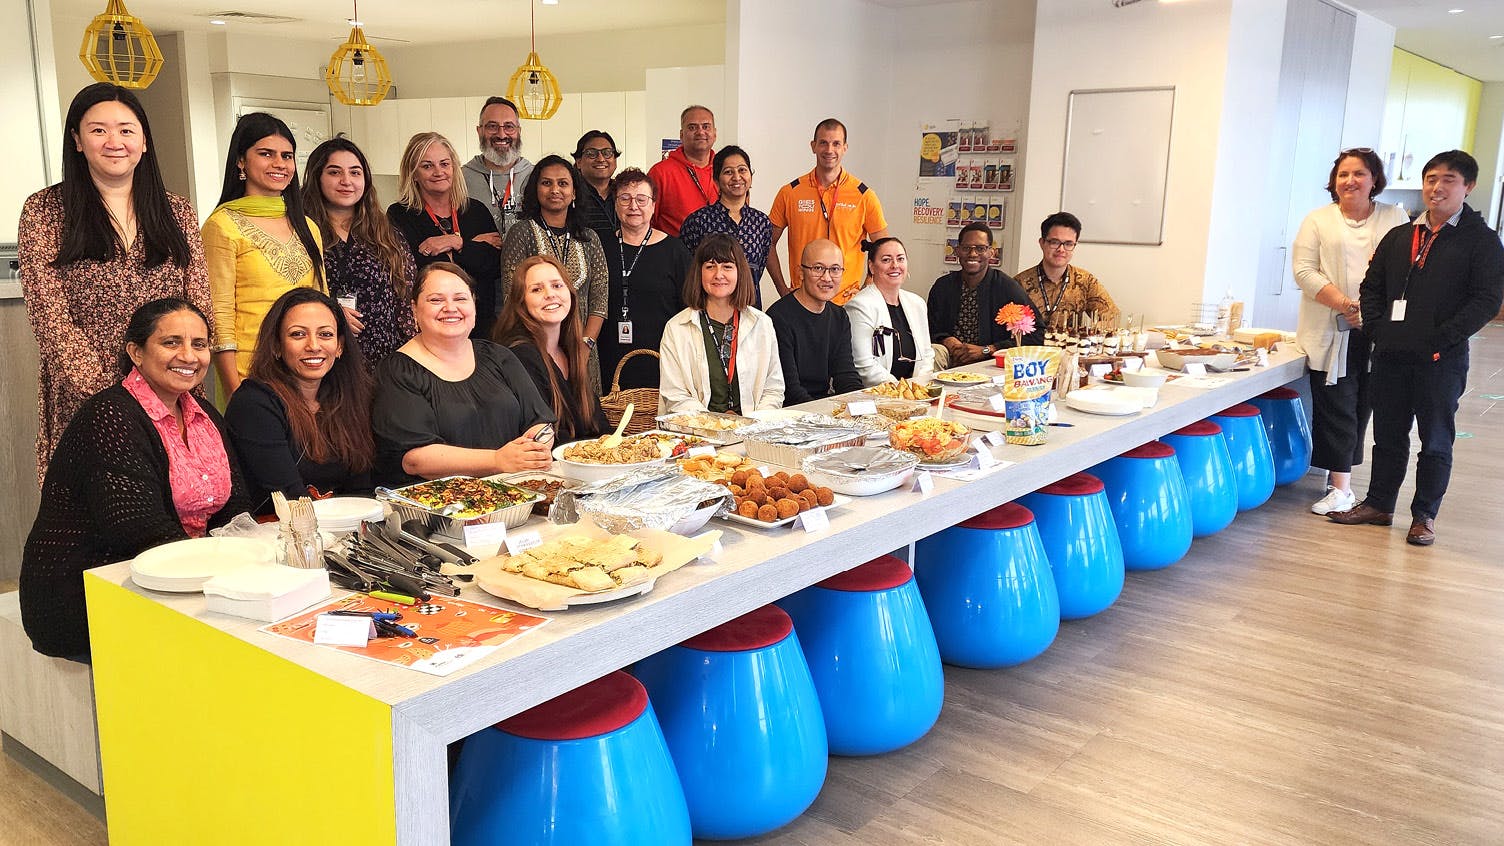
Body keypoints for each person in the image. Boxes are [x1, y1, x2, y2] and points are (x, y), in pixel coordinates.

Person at [20, 298, 252, 661]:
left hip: (179, 577)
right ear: (136, 352)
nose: (189, 356)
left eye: (199, 344)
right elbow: (139, 528)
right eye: (171, 342)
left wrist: (250, 561)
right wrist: (224, 577)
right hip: (88, 591)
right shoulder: (109, 416)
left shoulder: (202, 412)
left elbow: (235, 502)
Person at [18, 83, 214, 486]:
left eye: (126, 130)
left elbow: (198, 304)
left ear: (144, 141)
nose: (114, 142)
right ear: (77, 140)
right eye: (98, 130)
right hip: (87, 396)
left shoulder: (175, 210)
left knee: (183, 509)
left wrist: (181, 373)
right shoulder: (44, 211)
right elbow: (50, 319)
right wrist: (119, 399)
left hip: (173, 388)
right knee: (103, 519)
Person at [1329, 150, 1504, 546]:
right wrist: (1376, 331)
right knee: (1388, 434)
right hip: (1391, 355)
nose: (1437, 187)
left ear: (1468, 187)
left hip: (1441, 359)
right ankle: (1379, 504)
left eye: (1448, 180)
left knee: (1435, 439)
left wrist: (1440, 338)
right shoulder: (1402, 235)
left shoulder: (1481, 241)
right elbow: (1371, 288)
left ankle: (1423, 515)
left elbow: (1487, 301)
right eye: (1431, 179)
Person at [1290, 149, 1409, 516]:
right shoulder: (1318, 220)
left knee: (1363, 407)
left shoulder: (1394, 217)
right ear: (1334, 180)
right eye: (1343, 174)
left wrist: (1371, 313)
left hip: (1380, 331)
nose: (1350, 181)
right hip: (1331, 330)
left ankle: (1340, 478)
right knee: (1336, 406)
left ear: (1375, 179)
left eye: (1359, 173)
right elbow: (1304, 271)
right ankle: (1340, 487)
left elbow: (1406, 270)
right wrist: (1346, 305)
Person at [371, 262, 555, 486]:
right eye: (436, 300)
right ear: (414, 309)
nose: (450, 308)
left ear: (474, 305)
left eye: (460, 299)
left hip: (516, 493)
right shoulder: (397, 371)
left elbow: (540, 421)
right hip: (440, 507)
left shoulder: (498, 355)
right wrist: (498, 460)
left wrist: (534, 450)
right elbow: (415, 460)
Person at [203, 112, 326, 394]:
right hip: (251, 373)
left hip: (308, 369)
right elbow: (219, 313)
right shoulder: (221, 226)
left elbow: (321, 302)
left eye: (287, 155)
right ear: (241, 160)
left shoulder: (307, 226)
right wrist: (234, 390)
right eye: (266, 154)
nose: (279, 164)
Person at [225, 288, 374, 515]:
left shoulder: (349, 397)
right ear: (276, 346)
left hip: (342, 534)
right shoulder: (253, 403)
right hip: (277, 534)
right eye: (298, 334)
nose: (313, 345)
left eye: (325, 334)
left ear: (340, 346)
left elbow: (362, 489)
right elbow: (290, 498)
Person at [497, 155, 609, 393]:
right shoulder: (521, 233)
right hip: (534, 350)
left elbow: (600, 297)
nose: (555, 190)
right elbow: (512, 295)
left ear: (575, 192)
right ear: (535, 189)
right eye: (546, 183)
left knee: (587, 421)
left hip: (583, 349)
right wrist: (540, 350)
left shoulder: (589, 238)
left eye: (563, 183)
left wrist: (585, 345)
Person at [303, 137, 416, 370]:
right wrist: (330, 312)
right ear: (317, 177)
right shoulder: (300, 233)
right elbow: (290, 295)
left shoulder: (386, 234)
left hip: (384, 362)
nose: (346, 181)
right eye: (334, 172)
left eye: (355, 173)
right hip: (323, 359)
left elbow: (407, 300)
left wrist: (411, 360)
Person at [387, 132, 502, 339]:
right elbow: (417, 268)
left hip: (481, 328)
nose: (438, 172)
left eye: (444, 164)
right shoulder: (400, 214)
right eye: (427, 166)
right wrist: (472, 247)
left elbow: (494, 264)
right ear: (413, 173)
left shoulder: (475, 210)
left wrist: (454, 243)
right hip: (430, 328)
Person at [767, 118, 889, 304]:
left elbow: (883, 250)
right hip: (802, 302)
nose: (829, 150)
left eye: (836, 144)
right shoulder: (790, 192)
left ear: (845, 148)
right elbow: (767, 243)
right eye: (823, 143)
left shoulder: (864, 195)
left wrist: (868, 287)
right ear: (813, 146)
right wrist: (783, 290)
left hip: (848, 303)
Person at [659, 234, 784, 415]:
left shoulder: (762, 324)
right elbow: (675, 395)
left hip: (751, 431)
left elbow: (773, 389)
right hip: (698, 434)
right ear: (699, 273)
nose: (719, 275)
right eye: (710, 267)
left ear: (739, 272)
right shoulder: (676, 328)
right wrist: (715, 425)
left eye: (727, 266)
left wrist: (753, 424)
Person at [493, 255, 609, 442]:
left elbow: (598, 425)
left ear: (570, 293)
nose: (550, 294)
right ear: (521, 302)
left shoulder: (568, 350)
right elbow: (547, 438)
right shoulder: (521, 355)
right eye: (537, 289)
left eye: (557, 285)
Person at [598, 167, 692, 391]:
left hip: (661, 355)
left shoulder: (675, 250)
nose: (633, 206)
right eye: (625, 198)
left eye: (641, 199)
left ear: (653, 205)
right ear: (614, 203)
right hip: (608, 354)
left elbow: (689, 308)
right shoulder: (599, 246)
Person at [929, 222, 1044, 366]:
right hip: (950, 358)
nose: (972, 254)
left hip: (991, 362)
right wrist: (945, 340)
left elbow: (1037, 334)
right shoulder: (943, 286)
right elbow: (928, 328)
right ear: (957, 251)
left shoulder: (1007, 287)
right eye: (966, 248)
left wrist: (988, 349)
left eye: (980, 248)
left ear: (991, 252)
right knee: (935, 352)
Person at [766, 239, 863, 405]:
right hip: (790, 411)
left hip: (824, 407)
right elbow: (790, 390)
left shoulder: (839, 316)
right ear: (801, 272)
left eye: (835, 269)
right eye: (818, 268)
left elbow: (845, 375)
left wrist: (861, 407)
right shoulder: (777, 317)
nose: (827, 278)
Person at [679, 145, 773, 307]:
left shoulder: (762, 222)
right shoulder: (698, 221)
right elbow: (688, 270)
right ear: (716, 180)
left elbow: (758, 270)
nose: (737, 177)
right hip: (707, 310)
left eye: (742, 170)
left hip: (749, 309)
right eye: (728, 172)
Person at [845, 237, 935, 386]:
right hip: (878, 394)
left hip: (916, 392)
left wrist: (917, 388)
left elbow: (927, 354)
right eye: (886, 260)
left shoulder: (917, 303)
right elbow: (864, 365)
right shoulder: (859, 306)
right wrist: (900, 390)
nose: (895, 265)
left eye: (900, 259)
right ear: (871, 267)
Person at [1013, 212, 1119, 331]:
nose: (1061, 249)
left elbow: (1112, 318)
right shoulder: (1019, 283)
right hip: (1032, 348)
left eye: (1068, 244)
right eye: (1054, 242)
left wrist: (1084, 331)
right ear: (1042, 243)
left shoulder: (1085, 281)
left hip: (1071, 347)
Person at [461, 97, 534, 238]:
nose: (501, 134)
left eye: (509, 126)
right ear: (479, 131)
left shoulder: (536, 176)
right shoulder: (460, 178)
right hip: (479, 259)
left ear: (519, 131)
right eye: (492, 126)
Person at [648, 105, 718, 236]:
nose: (700, 132)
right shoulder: (661, 173)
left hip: (719, 254)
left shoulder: (725, 171)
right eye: (692, 127)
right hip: (675, 254)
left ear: (714, 133)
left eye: (706, 126)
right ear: (681, 135)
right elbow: (647, 221)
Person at [573, 130, 620, 245]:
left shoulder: (623, 192)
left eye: (607, 153)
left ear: (615, 159)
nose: (600, 159)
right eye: (591, 153)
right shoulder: (571, 194)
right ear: (578, 162)